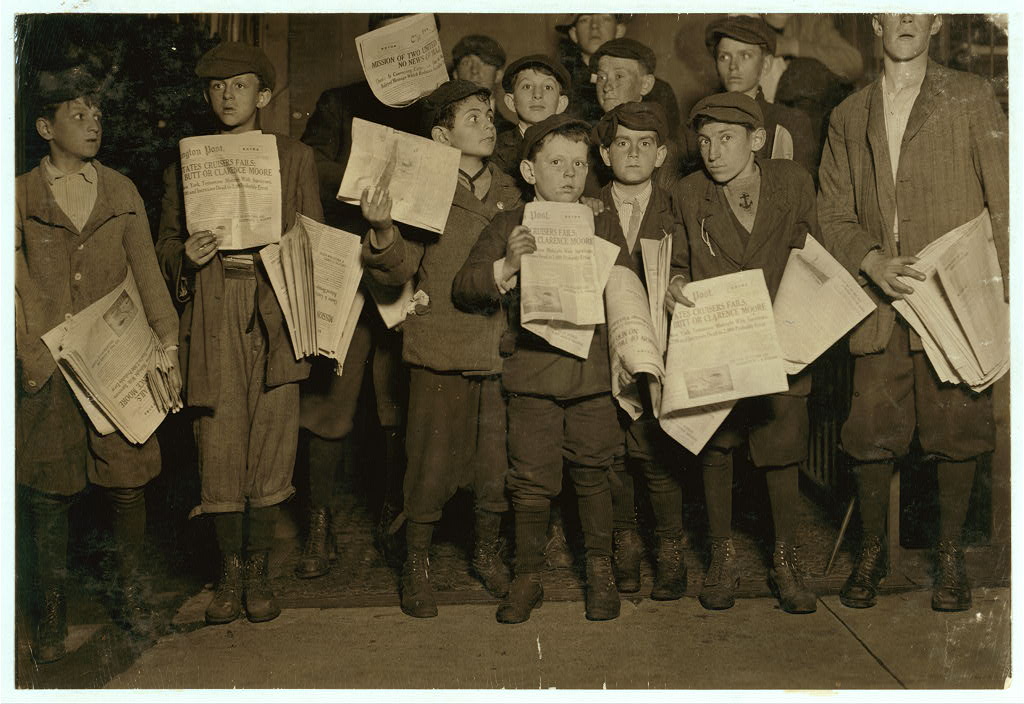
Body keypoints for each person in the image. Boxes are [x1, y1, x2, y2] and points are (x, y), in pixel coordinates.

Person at [817, 13, 1009, 613]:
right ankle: (873, 552)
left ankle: (948, 556)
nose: (903, 17)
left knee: (959, 429)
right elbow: (831, 212)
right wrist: (870, 260)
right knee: (871, 433)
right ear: (874, 22)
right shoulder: (849, 115)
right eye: (890, 6)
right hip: (884, 304)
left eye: (917, 6)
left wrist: (1004, 291)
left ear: (936, 19)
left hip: (955, 299)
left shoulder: (970, 96)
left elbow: (1005, 199)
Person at [16, 65, 181, 662]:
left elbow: (149, 275)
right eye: (77, 114)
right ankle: (50, 614)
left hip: (115, 367)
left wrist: (167, 343)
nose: (93, 124)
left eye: (98, 114)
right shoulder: (19, 197)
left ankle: (131, 595)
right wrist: (30, 354)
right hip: (51, 368)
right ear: (44, 126)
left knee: (127, 482)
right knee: (47, 492)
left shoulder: (120, 190)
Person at [155, 41, 323, 625]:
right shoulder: (186, 161)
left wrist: (295, 252)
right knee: (219, 439)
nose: (228, 97)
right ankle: (229, 573)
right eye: (218, 88)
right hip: (213, 302)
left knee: (273, 438)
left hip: (275, 301)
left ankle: (260, 570)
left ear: (265, 95)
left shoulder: (294, 157)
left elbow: (316, 239)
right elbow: (166, 244)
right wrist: (187, 256)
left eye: (242, 86)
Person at [453, 114, 633, 624]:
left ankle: (599, 570)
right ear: (531, 171)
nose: (570, 174)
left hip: (592, 372)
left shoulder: (601, 219)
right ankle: (528, 574)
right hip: (532, 371)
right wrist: (508, 266)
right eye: (557, 163)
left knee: (594, 470)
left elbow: (628, 284)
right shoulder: (510, 222)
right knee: (530, 478)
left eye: (579, 163)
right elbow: (465, 285)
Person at [360, 80, 523, 618]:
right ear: (440, 134)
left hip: (498, 345)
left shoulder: (512, 189)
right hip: (441, 342)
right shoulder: (424, 189)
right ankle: (418, 562)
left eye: (489, 115)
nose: (488, 123)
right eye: (473, 117)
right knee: (429, 464)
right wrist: (383, 229)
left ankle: (485, 550)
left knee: (493, 463)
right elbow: (401, 268)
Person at [666, 92, 819, 614]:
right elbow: (677, 258)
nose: (712, 151)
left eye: (725, 139)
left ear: (756, 140)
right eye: (704, 140)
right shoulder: (689, 193)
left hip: (783, 343)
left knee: (781, 451)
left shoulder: (793, 183)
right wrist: (675, 281)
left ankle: (785, 560)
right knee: (717, 449)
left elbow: (812, 250)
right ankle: (722, 559)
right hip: (718, 343)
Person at [297, 13, 420, 573]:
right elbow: (308, 169)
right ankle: (318, 527)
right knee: (329, 403)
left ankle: (397, 521)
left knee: (403, 403)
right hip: (345, 268)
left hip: (411, 271)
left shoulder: (437, 106)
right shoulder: (338, 101)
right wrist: (368, 179)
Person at [592, 101, 687, 599]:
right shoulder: (584, 207)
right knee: (610, 453)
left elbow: (690, 265)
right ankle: (624, 544)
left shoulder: (678, 209)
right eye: (622, 143)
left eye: (645, 144)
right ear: (605, 154)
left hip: (657, 349)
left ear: (662, 154)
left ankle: (670, 550)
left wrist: (679, 278)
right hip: (598, 350)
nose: (633, 153)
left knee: (656, 451)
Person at [703, 15, 817, 178]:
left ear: (766, 65)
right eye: (724, 57)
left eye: (745, 56)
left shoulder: (791, 123)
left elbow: (802, 195)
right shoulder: (700, 126)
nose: (733, 66)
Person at [585, 37, 683, 196]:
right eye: (602, 77)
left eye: (619, 76)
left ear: (645, 85)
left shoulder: (662, 147)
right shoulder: (586, 141)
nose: (607, 87)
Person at [555, 13, 679, 132]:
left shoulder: (659, 91)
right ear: (573, 33)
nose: (594, 26)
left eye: (605, 18)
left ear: (619, 30)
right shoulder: (560, 85)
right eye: (585, 19)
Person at [491, 54, 571, 178]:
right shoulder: (494, 149)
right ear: (511, 102)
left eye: (548, 87)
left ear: (561, 103)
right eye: (527, 86)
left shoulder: (574, 147)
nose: (537, 94)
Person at [450, 34, 515, 128]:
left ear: (498, 75)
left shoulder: (510, 132)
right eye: (466, 62)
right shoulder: (437, 126)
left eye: (484, 62)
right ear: (455, 74)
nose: (475, 71)